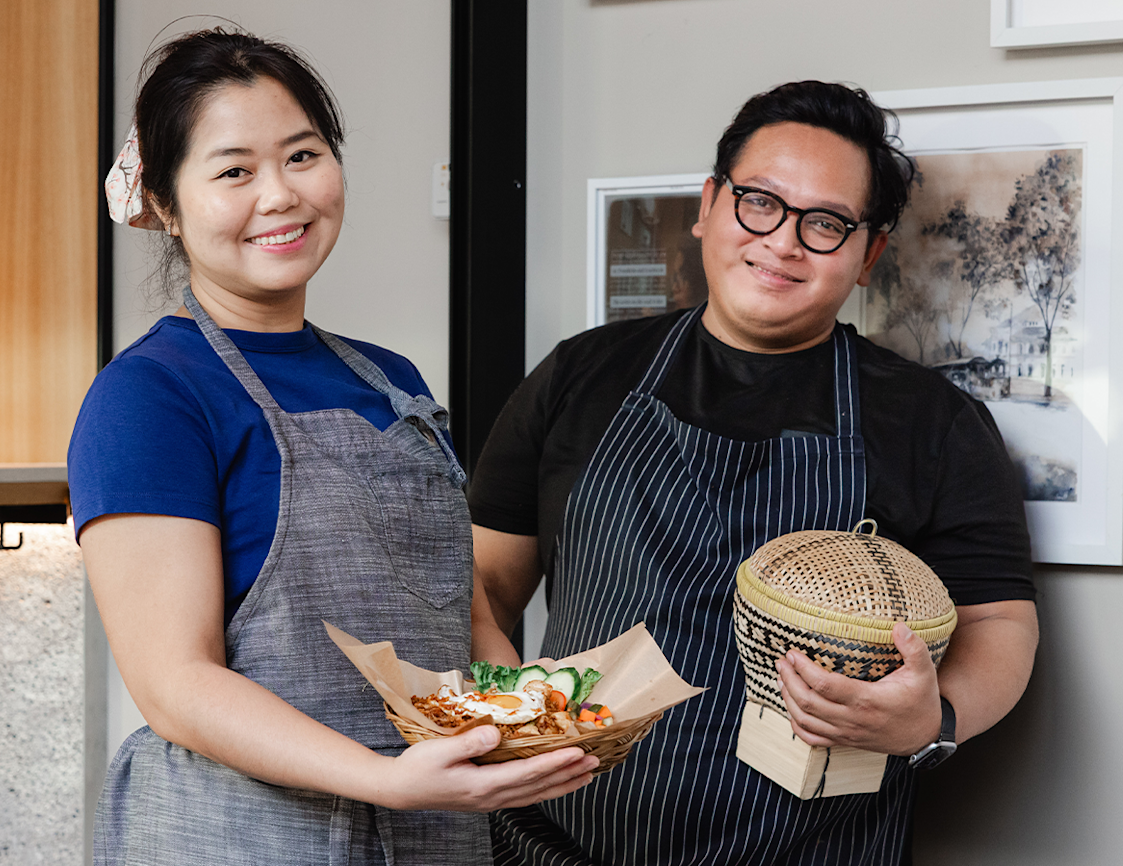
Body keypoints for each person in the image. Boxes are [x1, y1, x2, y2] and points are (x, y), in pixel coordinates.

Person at [469, 81, 1039, 865]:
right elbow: (483, 586)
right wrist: (517, 720)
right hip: (555, 840)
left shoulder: (934, 422)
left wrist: (930, 722)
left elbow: (998, 625)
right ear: (709, 205)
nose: (783, 242)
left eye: (827, 223)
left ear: (868, 253)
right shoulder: (581, 375)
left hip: (821, 848)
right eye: (760, 202)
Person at [69, 29, 596, 865]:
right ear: (166, 205)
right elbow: (176, 685)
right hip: (242, 836)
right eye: (234, 170)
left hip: (433, 829)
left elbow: (454, 610)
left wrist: (525, 719)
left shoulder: (391, 379)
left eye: (303, 155)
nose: (279, 195)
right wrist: (387, 778)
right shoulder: (149, 397)